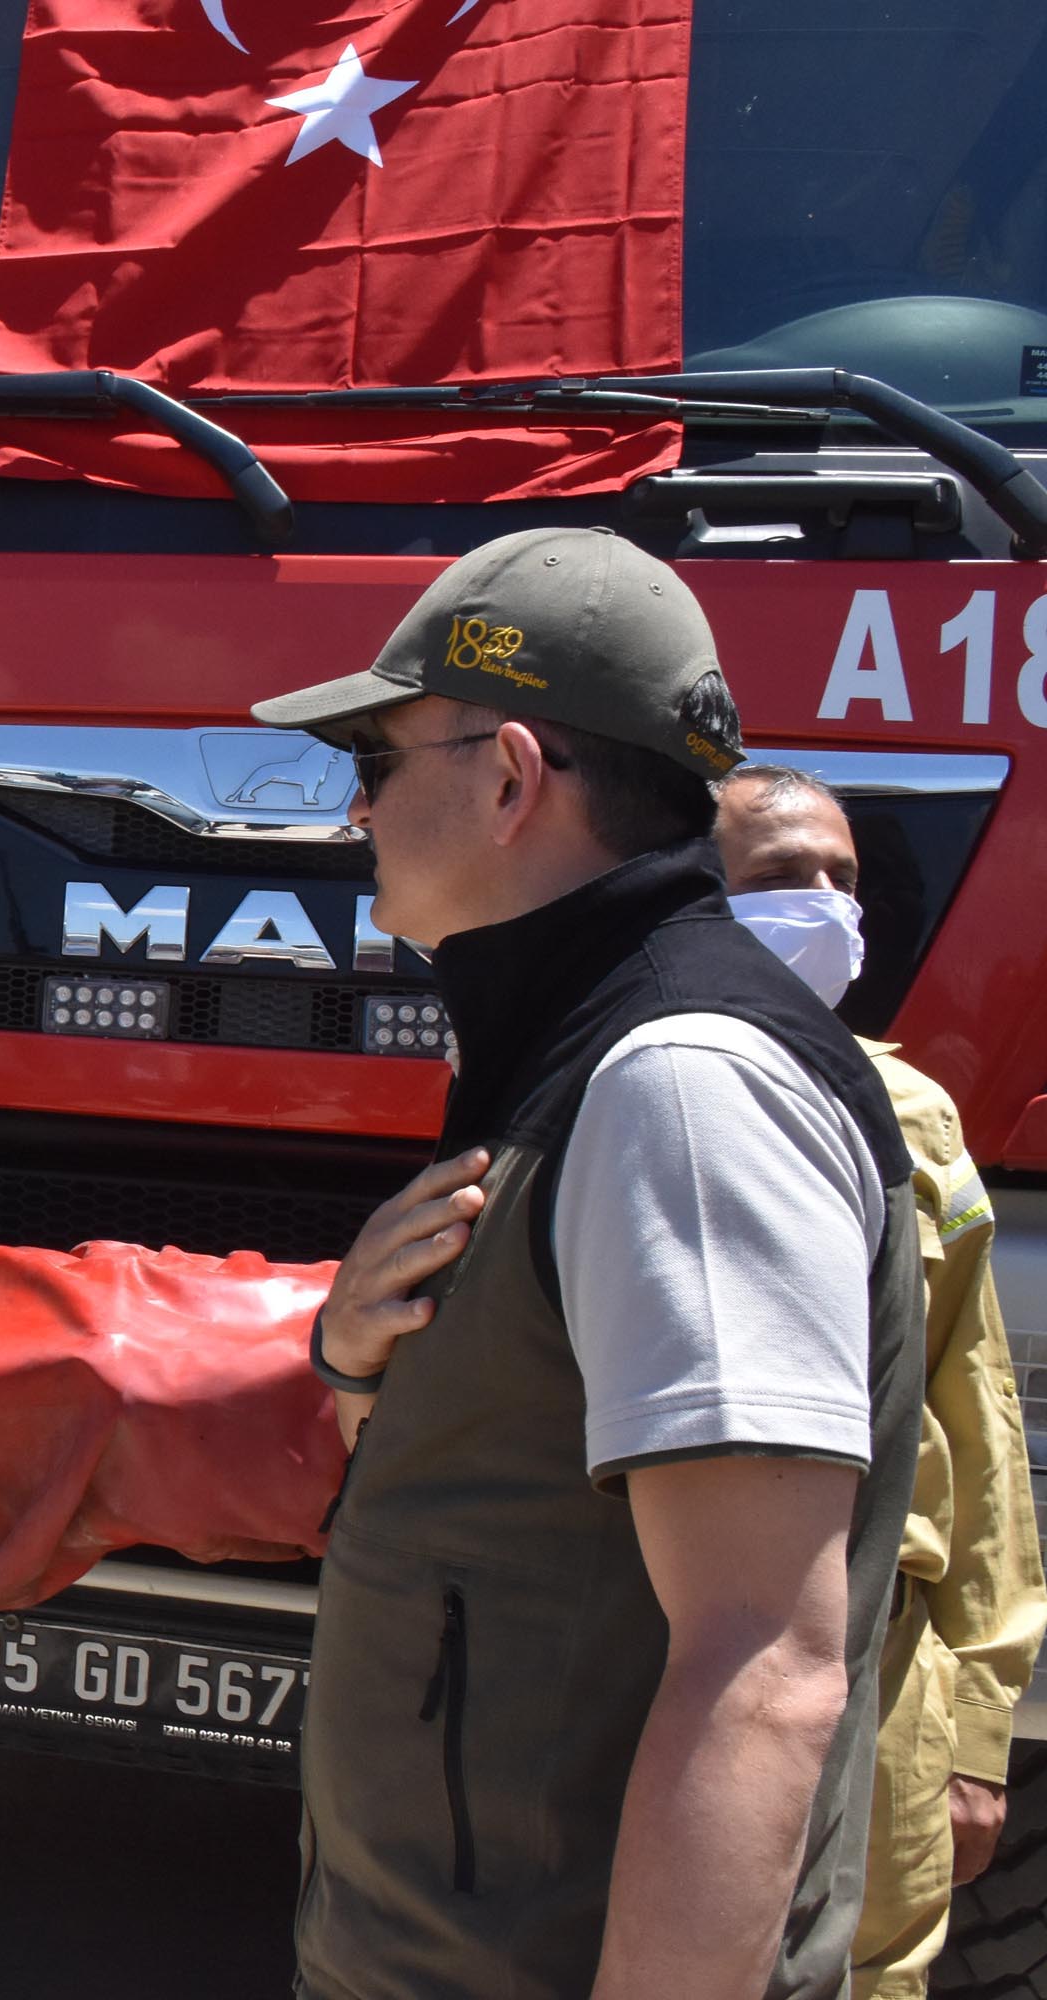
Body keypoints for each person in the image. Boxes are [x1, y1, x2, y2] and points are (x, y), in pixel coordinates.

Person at [256, 527, 924, 2000]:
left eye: (373, 764)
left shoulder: (681, 1089)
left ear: (508, 776)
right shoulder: (575, 1058)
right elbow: (526, 1513)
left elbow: (765, 1666)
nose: (350, 811)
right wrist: (363, 1364)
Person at [716, 763, 1045, 1999]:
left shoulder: (916, 1123)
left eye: (841, 880)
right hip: (656, 1668)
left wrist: (975, 1731)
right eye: (777, 879)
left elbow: (981, 1423)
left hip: (883, 1685)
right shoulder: (598, 1087)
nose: (822, 906)